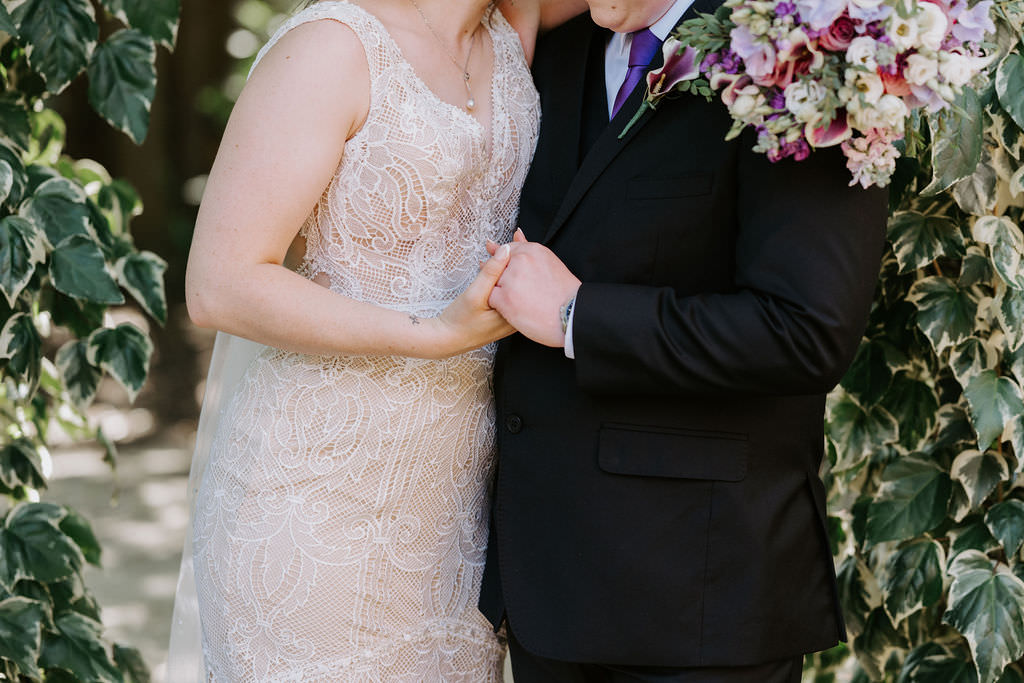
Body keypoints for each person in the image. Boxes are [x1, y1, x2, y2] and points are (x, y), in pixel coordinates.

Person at [166, 0, 583, 679]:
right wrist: (435, 333)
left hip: (455, 529)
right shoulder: (332, 47)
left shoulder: (514, 29)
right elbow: (220, 283)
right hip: (313, 499)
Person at [479, 0, 889, 681]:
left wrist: (579, 315)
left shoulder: (802, 63)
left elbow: (805, 331)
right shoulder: (554, 55)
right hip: (546, 589)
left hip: (701, 603)